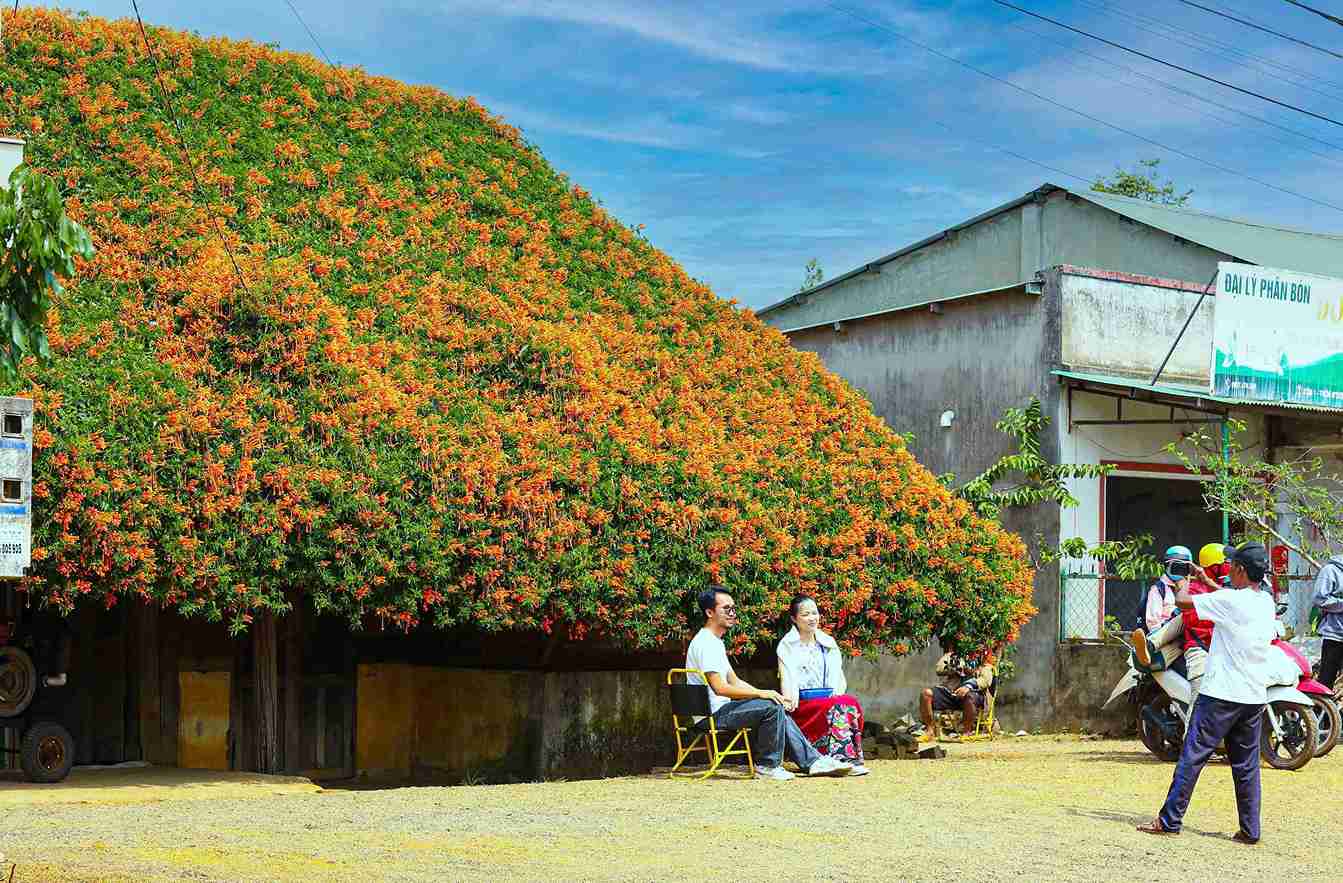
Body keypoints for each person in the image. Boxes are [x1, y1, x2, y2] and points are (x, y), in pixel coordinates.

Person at [1138, 542, 1276, 845]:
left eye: (1232, 566)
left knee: (1192, 756)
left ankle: (1169, 820)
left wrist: (1184, 579)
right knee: (1246, 766)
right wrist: (1206, 578)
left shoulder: (1229, 600)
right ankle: (1250, 830)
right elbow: (1226, 597)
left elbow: (1183, 601)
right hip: (1253, 696)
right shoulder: (1265, 601)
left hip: (1220, 694)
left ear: (1239, 570)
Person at [685, 586, 852, 781]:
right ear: (710, 612)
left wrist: (766, 693)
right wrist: (762, 695)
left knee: (775, 704)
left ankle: (814, 761)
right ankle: (767, 765)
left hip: (720, 710)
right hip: (712, 715)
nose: (732, 613)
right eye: (726, 609)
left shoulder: (714, 641)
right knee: (771, 707)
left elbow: (734, 680)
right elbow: (720, 688)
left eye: (733, 608)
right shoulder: (706, 643)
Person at [777, 595, 869, 776]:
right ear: (794, 619)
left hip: (826, 700)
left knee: (849, 701)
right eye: (806, 614)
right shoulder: (787, 645)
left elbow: (837, 677)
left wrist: (835, 695)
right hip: (802, 704)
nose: (812, 618)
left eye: (815, 613)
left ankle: (852, 759)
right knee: (838, 705)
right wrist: (789, 700)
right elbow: (786, 677)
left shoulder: (827, 643)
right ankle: (840, 759)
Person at [1132, 543, 1228, 707]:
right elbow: (1153, 620)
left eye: (1183, 568)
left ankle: (1149, 647)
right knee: (1181, 621)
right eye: (1175, 566)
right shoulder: (1161, 589)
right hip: (1170, 634)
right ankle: (1149, 646)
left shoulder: (1208, 586)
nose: (1179, 572)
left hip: (1195, 637)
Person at [919, 651, 993, 742]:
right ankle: (930, 731)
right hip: (951, 692)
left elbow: (986, 680)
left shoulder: (984, 657)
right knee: (926, 694)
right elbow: (939, 669)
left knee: (969, 696)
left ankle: (966, 733)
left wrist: (968, 686)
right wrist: (956, 668)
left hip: (974, 693)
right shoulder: (954, 654)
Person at [1311, 551, 1343, 695]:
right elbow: (1320, 599)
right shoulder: (1330, 571)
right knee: (1326, 680)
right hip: (1335, 634)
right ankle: (1320, 714)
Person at [1141, 546, 1194, 630]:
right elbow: (1153, 623)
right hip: (1165, 634)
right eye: (1174, 566)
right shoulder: (1158, 589)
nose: (1178, 570)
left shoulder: (1193, 588)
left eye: (1182, 566)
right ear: (1166, 566)